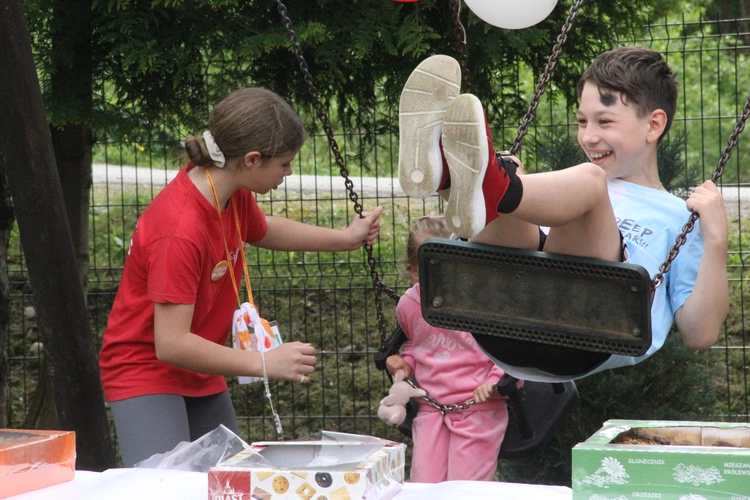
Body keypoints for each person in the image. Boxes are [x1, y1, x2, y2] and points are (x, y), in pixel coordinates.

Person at [397, 49, 728, 382]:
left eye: (605, 121)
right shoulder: (564, 191)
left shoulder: (677, 215)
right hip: (499, 324)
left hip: (585, 337)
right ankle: (452, 176)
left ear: (653, 125)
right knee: (530, 199)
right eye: (582, 121)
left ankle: (491, 186)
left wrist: (716, 240)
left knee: (586, 182)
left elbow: (699, 335)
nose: (588, 136)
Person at [99, 87, 383, 467]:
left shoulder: (228, 190)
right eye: (284, 164)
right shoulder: (180, 230)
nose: (289, 172)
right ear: (251, 159)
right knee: (166, 487)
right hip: (146, 369)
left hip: (199, 366)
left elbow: (263, 230)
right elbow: (170, 343)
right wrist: (265, 362)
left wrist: (347, 239)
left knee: (228, 481)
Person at [385, 216, 510, 482]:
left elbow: (509, 350)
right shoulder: (409, 305)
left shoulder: (480, 303)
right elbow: (417, 345)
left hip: (478, 405)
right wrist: (404, 363)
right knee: (423, 483)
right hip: (431, 408)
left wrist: (494, 382)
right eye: (432, 264)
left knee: (464, 487)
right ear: (414, 271)